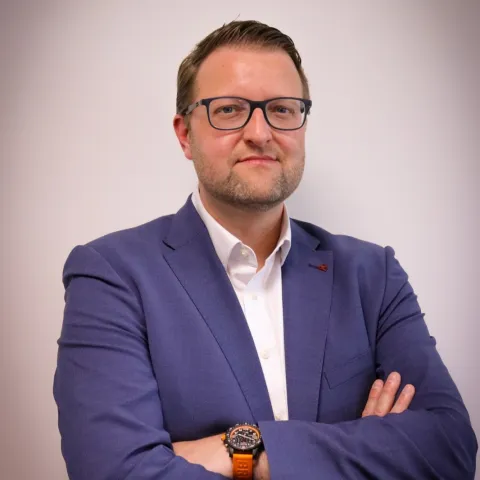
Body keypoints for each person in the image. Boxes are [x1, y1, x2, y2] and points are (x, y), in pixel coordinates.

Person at [53, 20, 477, 480]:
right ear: (184, 134)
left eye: (281, 109)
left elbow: (450, 448)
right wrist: (366, 447)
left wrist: (243, 451)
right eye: (229, 110)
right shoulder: (112, 276)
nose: (260, 132)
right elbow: (115, 471)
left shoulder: (373, 275)